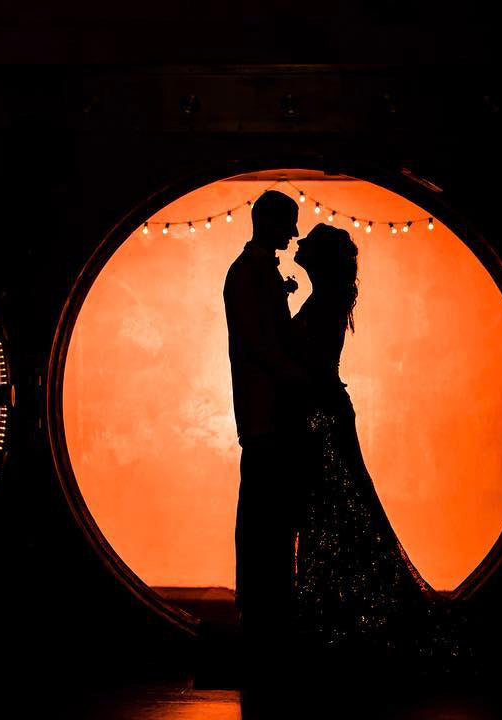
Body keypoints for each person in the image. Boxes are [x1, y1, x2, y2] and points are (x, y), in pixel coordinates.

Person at [290, 223, 466, 684]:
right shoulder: (326, 296)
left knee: (336, 512)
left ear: (321, 258)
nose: (299, 244)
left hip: (322, 417)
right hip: (324, 414)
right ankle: (339, 617)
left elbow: (306, 361)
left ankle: (339, 620)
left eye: (308, 241)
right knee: (336, 513)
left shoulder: (325, 299)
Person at [222, 190, 310, 686]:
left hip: (265, 414)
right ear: (269, 222)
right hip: (265, 416)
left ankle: (263, 610)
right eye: (289, 225)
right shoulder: (250, 273)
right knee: (265, 519)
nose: (293, 236)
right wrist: (293, 374)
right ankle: (262, 613)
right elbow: (257, 342)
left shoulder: (253, 271)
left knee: (266, 517)